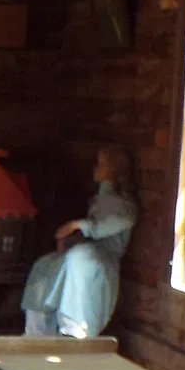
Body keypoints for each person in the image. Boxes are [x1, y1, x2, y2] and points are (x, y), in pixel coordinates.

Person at [22, 145, 136, 338]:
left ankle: (74, 328)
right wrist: (71, 240)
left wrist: (78, 225)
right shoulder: (100, 199)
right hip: (87, 251)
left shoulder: (122, 203)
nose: (95, 168)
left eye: (101, 164)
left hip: (103, 258)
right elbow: (89, 233)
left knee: (77, 259)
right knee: (45, 264)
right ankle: (37, 329)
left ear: (114, 170)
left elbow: (116, 223)